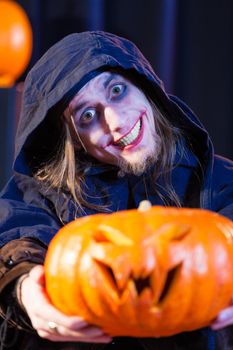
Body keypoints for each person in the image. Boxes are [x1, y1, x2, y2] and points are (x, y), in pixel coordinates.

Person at [0, 30, 233, 350]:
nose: (116, 123)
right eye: (87, 115)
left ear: (146, 87)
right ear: (74, 140)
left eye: (117, 90)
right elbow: (17, 235)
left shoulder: (221, 179)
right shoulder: (48, 194)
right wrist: (24, 286)